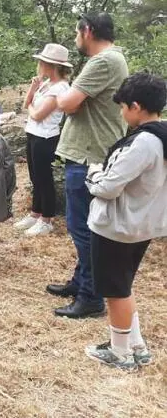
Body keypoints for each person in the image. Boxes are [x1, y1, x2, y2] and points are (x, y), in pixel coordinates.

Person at [84, 72, 167, 370]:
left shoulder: (144, 142)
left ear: (135, 106)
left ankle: (120, 353)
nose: (121, 112)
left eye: (122, 107)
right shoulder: (163, 135)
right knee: (123, 286)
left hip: (118, 226)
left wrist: (93, 175)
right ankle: (136, 345)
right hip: (142, 224)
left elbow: (108, 186)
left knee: (115, 290)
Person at [48, 12, 129, 319]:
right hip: (90, 153)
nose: (75, 37)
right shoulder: (111, 60)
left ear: (88, 31)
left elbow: (67, 103)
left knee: (83, 228)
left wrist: (66, 95)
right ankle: (81, 281)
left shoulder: (103, 62)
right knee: (84, 225)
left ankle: (91, 296)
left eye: (76, 32)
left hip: (89, 156)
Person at [14, 44, 72, 236]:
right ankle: (35, 213)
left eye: (42, 61)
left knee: (43, 178)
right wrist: (32, 89)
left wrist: (31, 108)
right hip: (33, 134)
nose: (39, 64)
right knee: (34, 176)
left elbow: (37, 115)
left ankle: (46, 219)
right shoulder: (46, 84)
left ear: (51, 65)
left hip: (45, 137)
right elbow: (26, 105)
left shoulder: (61, 88)